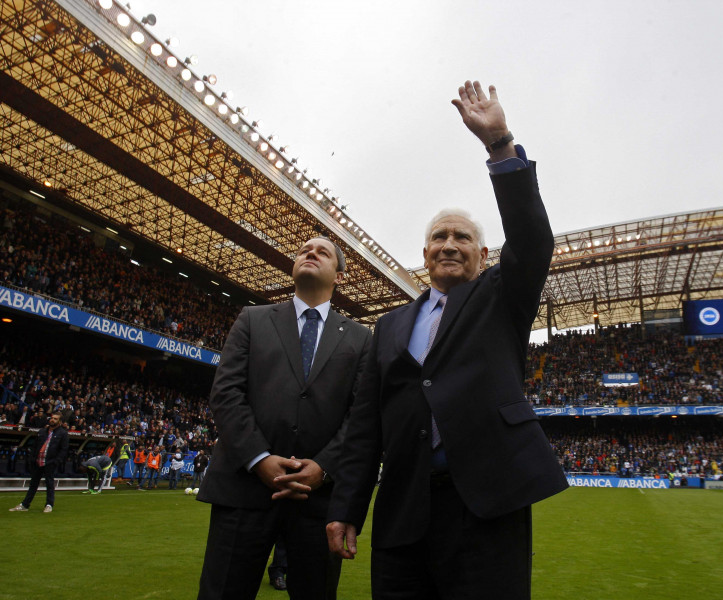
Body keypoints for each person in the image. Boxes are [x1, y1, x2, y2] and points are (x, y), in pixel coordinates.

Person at [326, 81, 568, 599]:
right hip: (403, 511)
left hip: (486, 504)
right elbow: (365, 425)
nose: (451, 244)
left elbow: (531, 239)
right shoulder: (388, 326)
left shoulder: (502, 297)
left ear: (483, 257)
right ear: (425, 254)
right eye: (440, 237)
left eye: (463, 238)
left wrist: (499, 143)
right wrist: (347, 506)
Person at [196, 235, 372, 600]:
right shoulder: (252, 318)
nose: (311, 252)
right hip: (243, 490)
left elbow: (362, 415)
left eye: (323, 252)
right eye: (305, 250)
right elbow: (226, 392)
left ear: (339, 276)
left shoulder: (360, 338)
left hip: (318, 500)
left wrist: (323, 467)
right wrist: (259, 459)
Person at [9, 412, 70, 513]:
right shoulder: (42, 432)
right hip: (38, 461)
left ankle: (49, 504)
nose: (52, 420)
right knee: (33, 484)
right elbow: (35, 446)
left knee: (49, 483)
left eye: (55, 419)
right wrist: (32, 458)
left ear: (59, 421)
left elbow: (63, 450)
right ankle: (25, 505)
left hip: (50, 462)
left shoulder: (62, 434)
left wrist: (56, 461)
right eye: (52, 418)